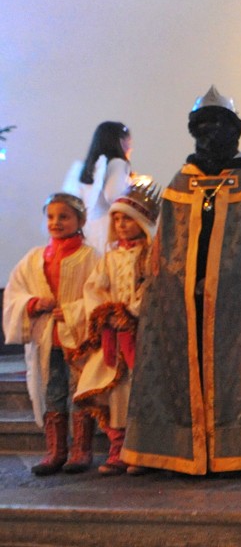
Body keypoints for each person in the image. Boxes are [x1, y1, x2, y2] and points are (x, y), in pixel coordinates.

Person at [120, 86, 241, 475]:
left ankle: (234, 449)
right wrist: (185, 283)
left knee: (235, 367)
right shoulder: (180, 182)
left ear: (234, 131)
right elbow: (168, 248)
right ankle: (171, 448)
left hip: (235, 302)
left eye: (220, 125)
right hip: (182, 299)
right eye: (203, 126)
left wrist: (220, 283)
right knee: (175, 366)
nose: (211, 133)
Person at [3, 193, 99, 475]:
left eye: (64, 217)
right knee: (53, 392)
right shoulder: (35, 258)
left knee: (81, 392)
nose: (56, 222)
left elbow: (99, 295)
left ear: (80, 220)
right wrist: (33, 303)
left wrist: (72, 310)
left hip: (79, 339)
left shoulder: (90, 257)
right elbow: (14, 293)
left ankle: (81, 450)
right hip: (47, 340)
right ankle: (55, 451)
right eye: (51, 217)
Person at [73, 182, 160, 475]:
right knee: (106, 388)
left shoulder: (150, 255)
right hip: (112, 335)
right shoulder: (109, 257)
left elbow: (152, 288)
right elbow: (94, 288)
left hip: (140, 336)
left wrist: (131, 312)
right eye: (117, 219)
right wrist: (107, 313)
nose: (121, 225)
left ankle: (141, 451)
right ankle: (118, 447)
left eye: (128, 219)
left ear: (143, 221)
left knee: (137, 392)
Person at [76, 121, 133, 252]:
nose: (130, 146)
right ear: (120, 141)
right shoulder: (117, 163)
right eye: (128, 141)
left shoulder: (91, 166)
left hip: (90, 226)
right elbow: (113, 195)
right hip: (107, 226)